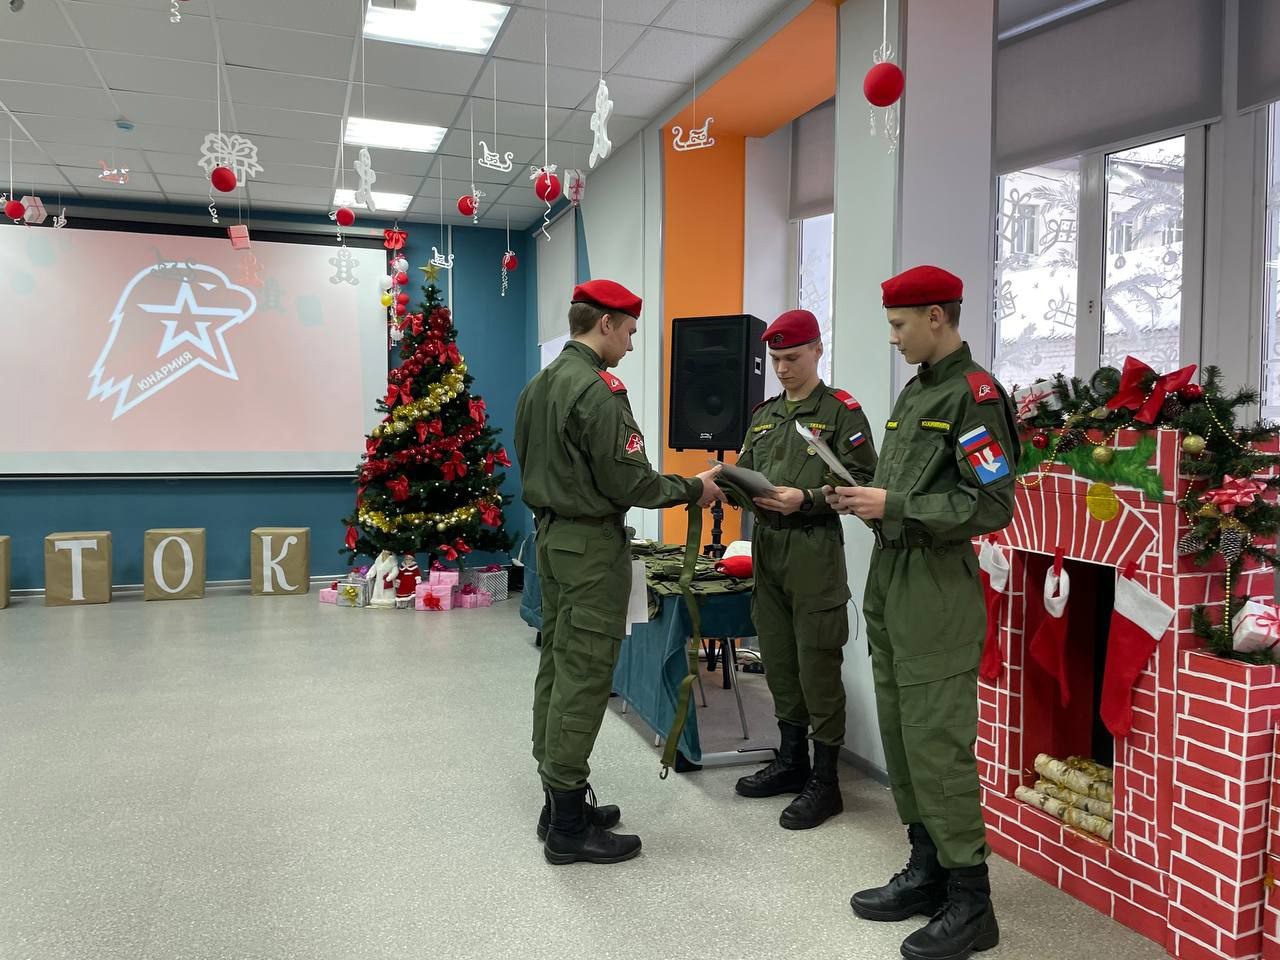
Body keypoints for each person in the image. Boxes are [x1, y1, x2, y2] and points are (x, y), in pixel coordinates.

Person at [825, 266, 1017, 960]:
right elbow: (902, 487)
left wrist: (897, 505)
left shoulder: (975, 396)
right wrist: (863, 498)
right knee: (903, 737)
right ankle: (928, 868)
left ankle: (972, 900)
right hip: (893, 578)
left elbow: (992, 504)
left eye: (900, 325)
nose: (894, 337)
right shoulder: (917, 391)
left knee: (937, 745)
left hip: (936, 588)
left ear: (937, 317)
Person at [513, 278, 724, 866]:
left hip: (551, 540)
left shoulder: (539, 386)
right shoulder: (598, 391)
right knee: (584, 676)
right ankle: (568, 827)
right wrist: (695, 489)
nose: (631, 343)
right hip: (589, 548)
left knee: (558, 667)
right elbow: (631, 482)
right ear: (604, 323)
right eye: (629, 330)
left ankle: (558, 802)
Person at [731, 309, 878, 829]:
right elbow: (746, 470)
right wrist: (725, 484)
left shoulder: (840, 413)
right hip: (768, 548)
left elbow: (865, 484)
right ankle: (791, 760)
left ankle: (826, 779)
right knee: (778, 659)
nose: (782, 369)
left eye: (792, 357)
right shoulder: (765, 415)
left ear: (817, 350)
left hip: (814, 549)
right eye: (774, 359)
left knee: (817, 662)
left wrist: (809, 498)